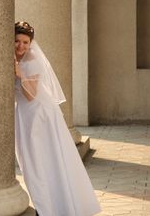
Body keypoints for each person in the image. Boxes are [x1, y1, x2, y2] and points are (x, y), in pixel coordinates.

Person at [14, 21, 101, 216]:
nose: (21, 46)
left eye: (25, 42)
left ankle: (48, 210)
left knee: (42, 162)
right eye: (17, 41)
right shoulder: (14, 59)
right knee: (31, 163)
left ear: (31, 43)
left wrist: (19, 75)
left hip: (40, 115)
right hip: (25, 115)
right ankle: (48, 206)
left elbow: (30, 95)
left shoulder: (32, 60)